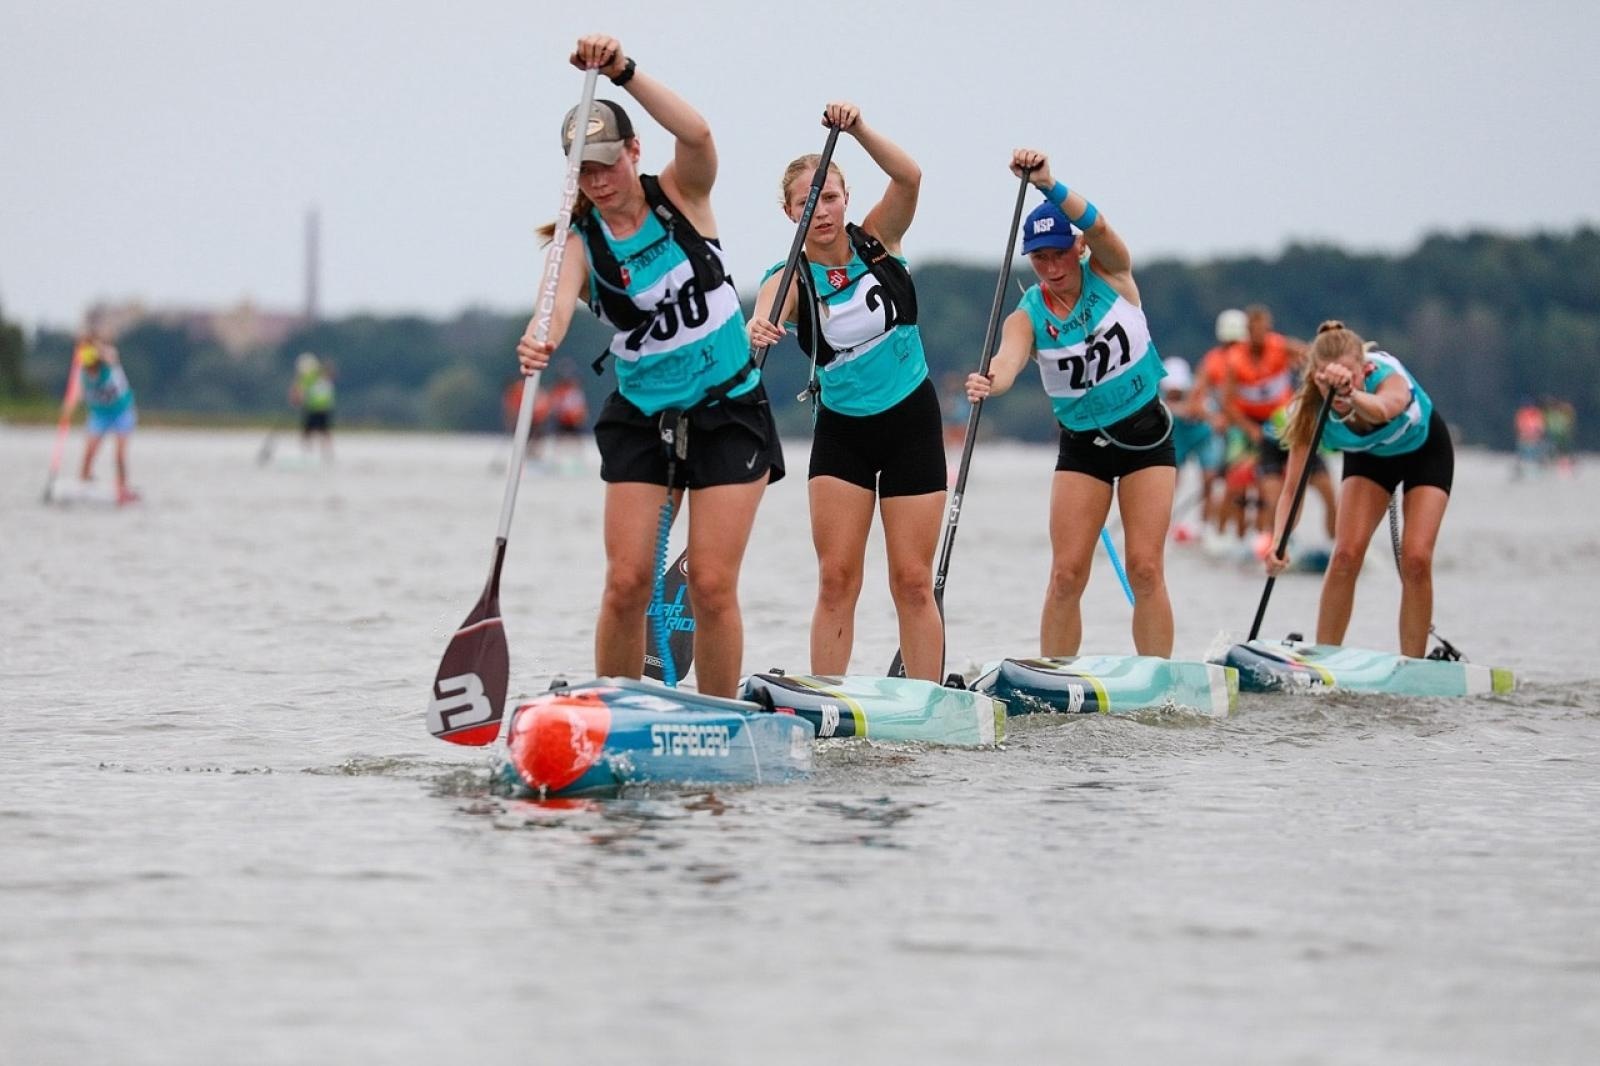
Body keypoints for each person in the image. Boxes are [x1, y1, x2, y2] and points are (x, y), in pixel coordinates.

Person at [516, 34, 782, 698]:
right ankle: (616, 709)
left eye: (608, 163)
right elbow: (548, 308)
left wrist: (624, 71)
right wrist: (537, 340)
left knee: (713, 585)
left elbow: (697, 133)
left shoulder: (681, 195)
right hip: (642, 418)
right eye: (585, 170)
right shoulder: (579, 243)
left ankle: (722, 717)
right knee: (627, 581)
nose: (599, 181)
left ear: (634, 152)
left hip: (728, 411)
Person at [748, 102, 944, 680]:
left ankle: (926, 700)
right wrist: (757, 328)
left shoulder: (880, 239)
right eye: (806, 202)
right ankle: (826, 698)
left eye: (828, 197)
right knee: (837, 579)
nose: (821, 211)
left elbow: (910, 177)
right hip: (843, 434)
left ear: (845, 199)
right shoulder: (787, 278)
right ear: (789, 212)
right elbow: (763, 316)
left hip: (911, 422)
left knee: (911, 579)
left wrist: (856, 130)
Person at [965, 149, 1175, 657]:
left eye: (1059, 253)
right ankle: (1056, 676)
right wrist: (989, 382)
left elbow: (1099, 225)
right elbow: (1008, 361)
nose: (1051, 267)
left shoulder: (1112, 274)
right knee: (1066, 574)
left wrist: (1049, 185)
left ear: (1076, 248)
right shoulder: (1029, 313)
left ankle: (1160, 676)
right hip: (1083, 447)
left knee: (1144, 566)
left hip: (1147, 434)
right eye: (1040, 258)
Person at [1265, 322, 1452, 658]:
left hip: (1426, 453)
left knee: (1416, 559)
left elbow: (1383, 409)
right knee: (1345, 556)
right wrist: (1278, 542)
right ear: (1315, 379)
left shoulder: (1387, 374)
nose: (1336, 390)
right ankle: (1324, 659)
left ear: (1365, 369)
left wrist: (1350, 393)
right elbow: (1292, 490)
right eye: (1327, 382)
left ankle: (1414, 663)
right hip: (1370, 460)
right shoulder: (1310, 410)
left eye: (1349, 376)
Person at [1221, 305, 1337, 545]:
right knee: (1273, 498)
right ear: (1247, 332)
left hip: (1289, 426)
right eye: (1256, 331)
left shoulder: (1280, 345)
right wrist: (1250, 430)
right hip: (1260, 431)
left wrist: (1316, 367)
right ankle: (1276, 544)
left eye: (1266, 329)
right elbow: (1229, 405)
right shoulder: (1234, 360)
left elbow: (1310, 354)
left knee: (1328, 493)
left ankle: (1336, 544)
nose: (1262, 336)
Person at [66, 332, 139, 504]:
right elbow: (76, 393)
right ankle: (83, 483)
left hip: (121, 412)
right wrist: (69, 408)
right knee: (89, 451)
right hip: (99, 414)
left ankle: (122, 488)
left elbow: (112, 355)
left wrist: (96, 348)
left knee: (119, 455)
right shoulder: (81, 371)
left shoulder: (109, 362)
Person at [289, 352, 335, 461]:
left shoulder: (310, 377)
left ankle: (311, 455)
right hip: (321, 408)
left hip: (317, 408)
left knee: (312, 433)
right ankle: (323, 456)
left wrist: (296, 399)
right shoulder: (320, 374)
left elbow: (298, 391)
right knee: (322, 432)